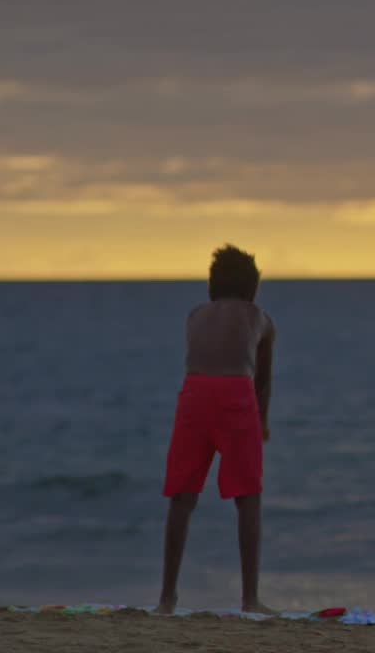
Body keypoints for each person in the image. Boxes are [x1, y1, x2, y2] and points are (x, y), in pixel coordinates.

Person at [156, 244, 278, 615]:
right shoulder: (259, 318)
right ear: (252, 286)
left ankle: (167, 598)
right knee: (248, 498)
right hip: (236, 396)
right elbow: (263, 381)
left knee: (182, 496)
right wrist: (263, 421)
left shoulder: (195, 315)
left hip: (194, 395)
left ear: (212, 283)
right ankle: (250, 598)